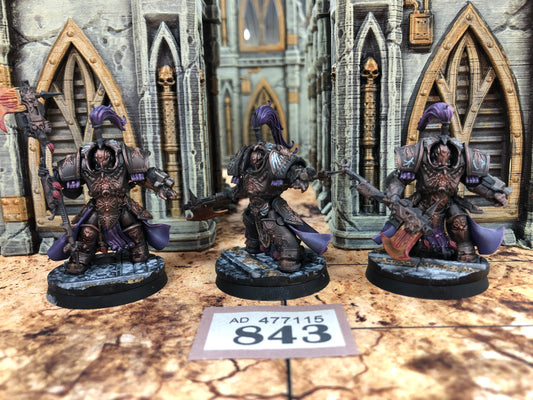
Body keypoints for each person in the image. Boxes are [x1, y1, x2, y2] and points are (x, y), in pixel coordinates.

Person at [186, 103, 332, 272]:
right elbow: (234, 194)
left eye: (258, 157)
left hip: (272, 210)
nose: (255, 159)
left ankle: (286, 254)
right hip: (252, 213)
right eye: (252, 157)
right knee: (252, 241)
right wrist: (205, 202)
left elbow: (295, 172)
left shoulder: (276, 161)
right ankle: (256, 246)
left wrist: (306, 175)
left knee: (289, 253)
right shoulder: (246, 169)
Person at [46, 105, 177, 274]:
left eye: (106, 158)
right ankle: (82, 258)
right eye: (97, 159)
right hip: (97, 206)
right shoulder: (80, 161)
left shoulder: (125, 157)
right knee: (87, 234)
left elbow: (146, 174)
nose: (101, 161)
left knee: (135, 232)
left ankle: (139, 250)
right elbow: (59, 180)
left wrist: (162, 186)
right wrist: (50, 182)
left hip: (121, 204)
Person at [376, 102, 510, 262]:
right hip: (422, 203)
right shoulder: (418, 154)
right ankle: (406, 248)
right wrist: (395, 198)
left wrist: (495, 193)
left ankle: (465, 251)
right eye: (438, 158)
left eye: (447, 159)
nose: (443, 166)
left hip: (448, 202)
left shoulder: (463, 157)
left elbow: (476, 182)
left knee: (460, 223)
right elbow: (399, 179)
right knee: (410, 225)